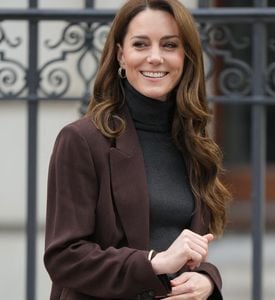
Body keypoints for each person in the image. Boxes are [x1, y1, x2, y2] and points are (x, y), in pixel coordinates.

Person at [44, 0, 231, 299]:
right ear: (121, 54)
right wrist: (152, 262)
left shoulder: (194, 144)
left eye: (169, 45)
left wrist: (207, 281)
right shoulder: (81, 140)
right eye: (141, 44)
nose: (155, 58)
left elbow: (187, 248)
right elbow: (64, 257)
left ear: (186, 57)